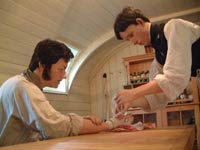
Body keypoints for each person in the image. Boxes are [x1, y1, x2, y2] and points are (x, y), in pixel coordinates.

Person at [0, 39, 133, 146]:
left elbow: (47, 125)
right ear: (42, 65)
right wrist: (111, 123)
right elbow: (58, 127)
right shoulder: (23, 87)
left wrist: (83, 122)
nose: (64, 76)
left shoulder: (22, 83)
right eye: (61, 69)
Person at [113, 6, 200, 113]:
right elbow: (155, 97)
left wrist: (133, 93)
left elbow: (175, 78)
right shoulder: (159, 60)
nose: (133, 42)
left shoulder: (174, 27)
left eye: (131, 35)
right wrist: (130, 102)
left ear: (139, 22)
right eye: (128, 40)